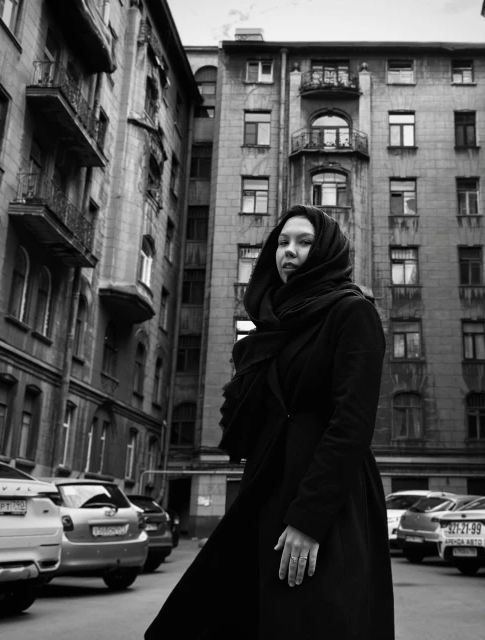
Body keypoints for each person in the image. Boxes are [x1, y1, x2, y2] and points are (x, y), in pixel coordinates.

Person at [145, 205, 394, 640]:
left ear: (327, 252)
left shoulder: (352, 313)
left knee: (312, 619)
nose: (289, 252)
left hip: (325, 500)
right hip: (267, 491)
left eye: (304, 242)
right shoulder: (276, 324)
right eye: (282, 242)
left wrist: (308, 518)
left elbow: (351, 423)